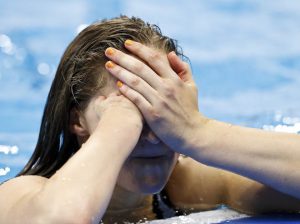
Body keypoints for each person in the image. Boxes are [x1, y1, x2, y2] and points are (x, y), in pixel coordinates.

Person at [0, 16, 300, 224]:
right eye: (133, 112)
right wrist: (117, 130)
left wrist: (200, 133)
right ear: (78, 121)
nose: (155, 136)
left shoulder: (187, 185)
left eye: (163, 113)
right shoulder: (19, 194)